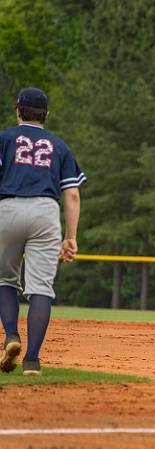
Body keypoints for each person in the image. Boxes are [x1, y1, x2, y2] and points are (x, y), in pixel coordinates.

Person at [0, 87, 86, 376]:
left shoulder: (5, 138)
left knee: (4, 279)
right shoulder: (59, 146)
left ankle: (11, 336)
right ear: (46, 115)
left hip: (8, 208)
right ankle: (32, 361)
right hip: (45, 212)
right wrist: (71, 237)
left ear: (18, 111)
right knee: (41, 288)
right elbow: (72, 195)